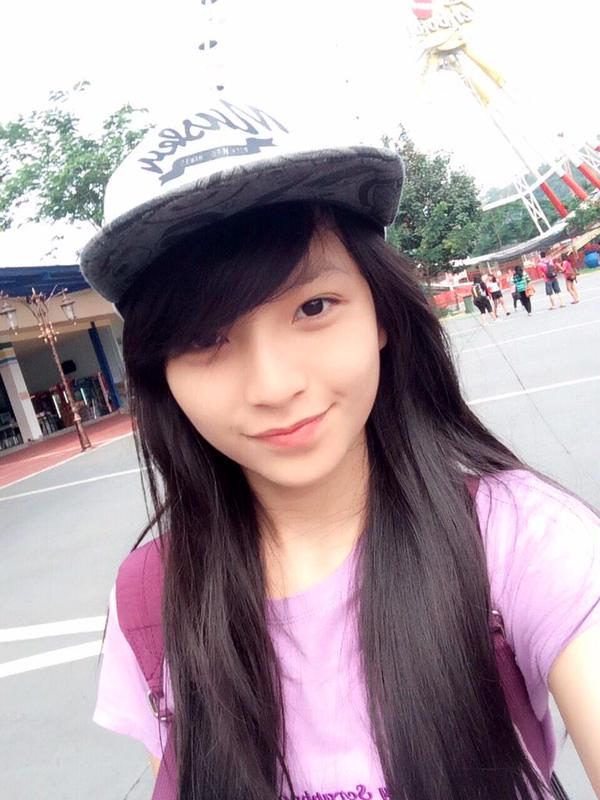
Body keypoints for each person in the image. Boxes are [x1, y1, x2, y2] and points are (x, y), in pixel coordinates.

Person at [82, 93, 600, 800]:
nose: (274, 386)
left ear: (381, 314)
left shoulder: (522, 540)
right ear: (161, 374)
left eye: (313, 307)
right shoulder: (151, 602)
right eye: (205, 338)